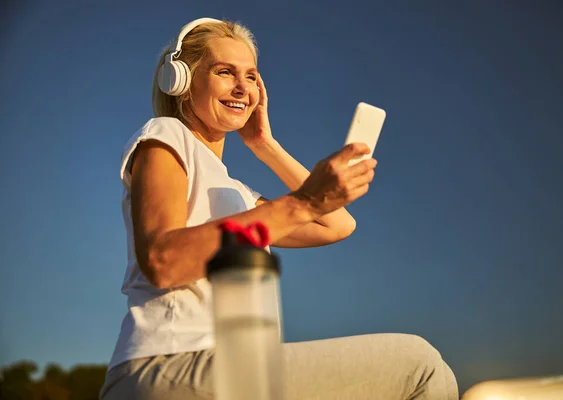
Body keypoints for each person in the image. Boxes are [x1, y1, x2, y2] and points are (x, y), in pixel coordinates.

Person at [99, 17, 459, 400]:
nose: (243, 87)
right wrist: (303, 202)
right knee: (421, 367)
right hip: (168, 363)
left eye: (252, 76)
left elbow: (336, 224)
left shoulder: (237, 191)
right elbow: (163, 260)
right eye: (225, 72)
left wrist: (264, 146)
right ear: (182, 83)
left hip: (227, 368)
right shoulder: (165, 134)